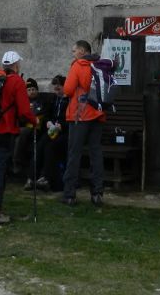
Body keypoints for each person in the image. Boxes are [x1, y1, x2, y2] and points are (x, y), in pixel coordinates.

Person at [0, 51, 35, 227]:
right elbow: (25, 110)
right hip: (4, 130)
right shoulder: (16, 81)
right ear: (16, 64)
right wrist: (34, 121)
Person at [60, 39, 107, 207]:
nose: (73, 53)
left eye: (74, 51)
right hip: (98, 115)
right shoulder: (100, 64)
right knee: (96, 154)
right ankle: (97, 193)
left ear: (81, 51)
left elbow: (67, 89)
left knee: (74, 154)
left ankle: (70, 194)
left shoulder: (78, 65)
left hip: (79, 115)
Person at [13, 78, 47, 189]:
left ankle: (17, 162)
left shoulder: (41, 101)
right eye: (29, 90)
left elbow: (42, 115)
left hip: (36, 128)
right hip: (25, 127)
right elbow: (19, 118)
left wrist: (32, 113)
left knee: (21, 133)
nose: (32, 92)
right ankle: (16, 163)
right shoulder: (24, 102)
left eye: (33, 89)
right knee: (17, 135)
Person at [42, 75, 69, 191]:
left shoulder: (69, 100)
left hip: (65, 133)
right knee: (41, 143)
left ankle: (50, 179)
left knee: (51, 147)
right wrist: (48, 122)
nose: (56, 92)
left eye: (59, 89)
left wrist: (61, 126)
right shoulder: (54, 99)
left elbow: (71, 120)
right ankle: (33, 177)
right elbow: (46, 114)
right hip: (53, 130)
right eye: (55, 89)